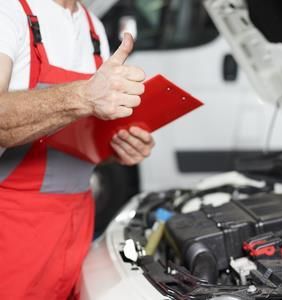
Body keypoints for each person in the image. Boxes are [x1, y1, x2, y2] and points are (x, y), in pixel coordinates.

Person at [0, 0, 155, 299]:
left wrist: (120, 146)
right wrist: (83, 95)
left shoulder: (93, 27)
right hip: (12, 225)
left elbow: (84, 136)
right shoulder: (9, 12)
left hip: (78, 222)